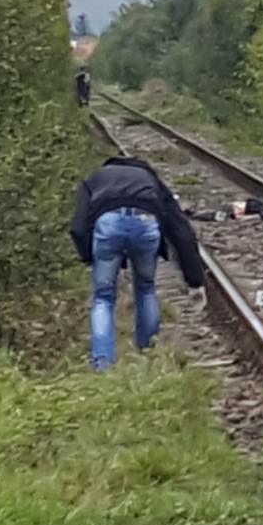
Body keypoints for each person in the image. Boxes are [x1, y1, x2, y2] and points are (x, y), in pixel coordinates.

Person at [68, 155, 207, 371]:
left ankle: (103, 363)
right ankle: (147, 353)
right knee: (146, 289)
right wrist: (195, 280)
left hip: (108, 224)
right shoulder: (150, 179)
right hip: (146, 222)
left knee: (103, 298)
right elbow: (180, 229)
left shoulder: (96, 178)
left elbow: (78, 225)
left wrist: (90, 256)